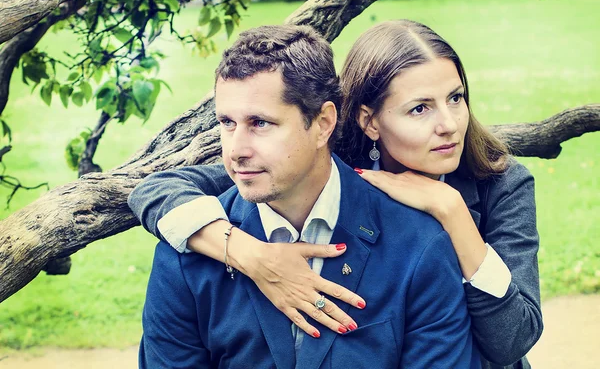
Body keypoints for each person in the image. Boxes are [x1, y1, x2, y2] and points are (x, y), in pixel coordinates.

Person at [130, 20, 543, 368]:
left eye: (456, 99)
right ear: (369, 123)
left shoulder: (496, 189)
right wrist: (253, 255)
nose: (449, 124)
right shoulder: (310, 160)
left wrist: (452, 212)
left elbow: (512, 339)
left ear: (323, 123)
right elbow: (158, 188)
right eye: (420, 108)